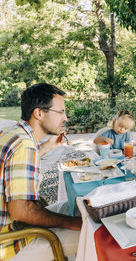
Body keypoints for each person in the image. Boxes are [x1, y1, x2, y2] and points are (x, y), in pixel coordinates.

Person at [0, 83, 82, 260]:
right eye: (60, 112)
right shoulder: (24, 146)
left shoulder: (13, 133)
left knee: (74, 206)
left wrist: (47, 146)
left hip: (13, 226)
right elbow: (22, 211)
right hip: (10, 242)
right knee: (91, 232)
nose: (65, 118)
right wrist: (72, 223)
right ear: (38, 113)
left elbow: (17, 165)